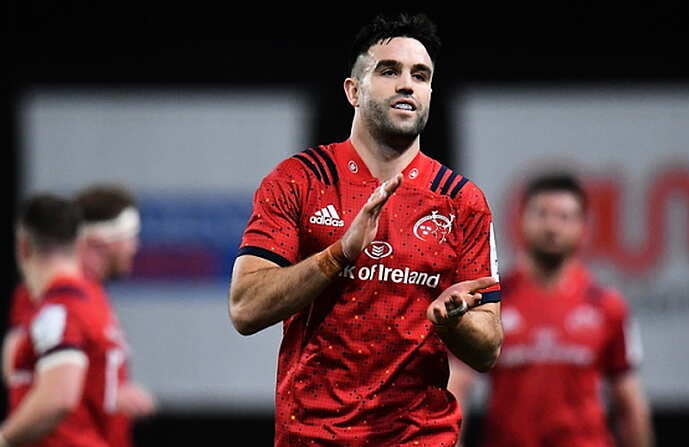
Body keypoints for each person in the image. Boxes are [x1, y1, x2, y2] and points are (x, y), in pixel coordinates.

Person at [229, 12, 502, 446]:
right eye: (389, 70)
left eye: (420, 75)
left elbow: (488, 349)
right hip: (311, 435)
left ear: (430, 93)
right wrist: (339, 254)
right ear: (353, 90)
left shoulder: (462, 201)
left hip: (419, 437)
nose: (406, 84)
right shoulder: (299, 180)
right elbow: (245, 309)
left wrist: (453, 323)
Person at [448, 173, 654, 447]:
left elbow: (629, 402)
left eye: (565, 217)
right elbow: (458, 387)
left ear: (583, 227)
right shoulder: (490, 302)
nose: (552, 226)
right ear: (520, 220)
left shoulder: (607, 305)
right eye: (542, 214)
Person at [0, 193, 132, 446]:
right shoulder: (91, 300)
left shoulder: (59, 309)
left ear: (23, 247)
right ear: (77, 243)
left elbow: (58, 398)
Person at [1, 184, 154, 447]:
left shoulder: (90, 296)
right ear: (98, 241)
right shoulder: (53, 296)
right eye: (130, 236)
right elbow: (21, 369)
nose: (135, 247)